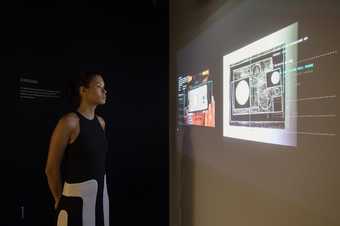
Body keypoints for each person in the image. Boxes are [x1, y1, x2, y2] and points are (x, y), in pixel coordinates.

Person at [45, 72, 109, 226]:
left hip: (101, 199)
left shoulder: (101, 123)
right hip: (75, 203)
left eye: (105, 87)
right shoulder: (69, 122)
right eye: (99, 86)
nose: (105, 91)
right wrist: (59, 200)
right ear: (83, 90)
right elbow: (51, 168)